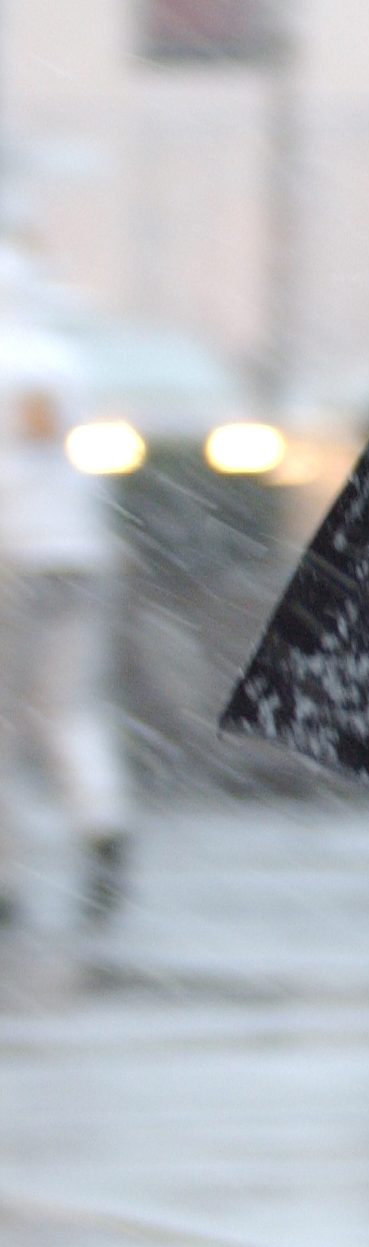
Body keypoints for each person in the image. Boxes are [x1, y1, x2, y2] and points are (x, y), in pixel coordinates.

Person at [0, 260, 134, 929]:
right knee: (67, 709)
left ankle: (7, 876)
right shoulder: (59, 360)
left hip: (10, 553)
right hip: (75, 551)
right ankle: (102, 824)